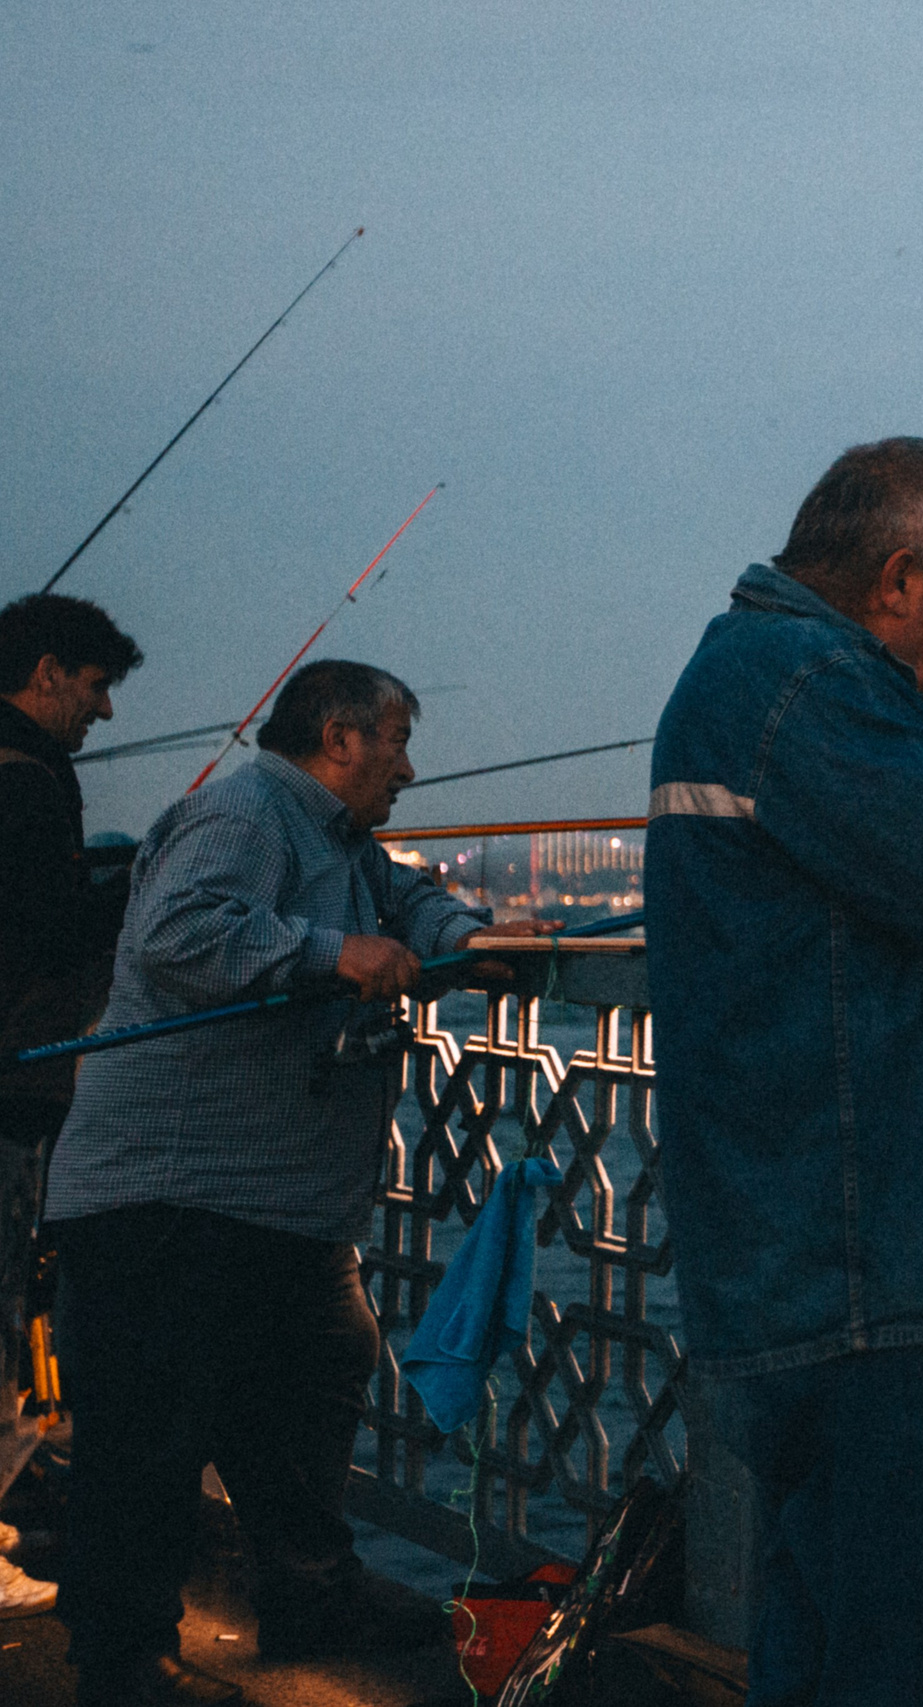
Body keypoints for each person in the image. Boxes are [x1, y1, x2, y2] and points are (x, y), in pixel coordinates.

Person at [650, 437, 923, 1704]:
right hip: (875, 1275)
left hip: (815, 1256)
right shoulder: (808, 682)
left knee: (831, 1634)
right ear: (900, 578)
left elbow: (872, 894)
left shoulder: (761, 673)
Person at [44, 660, 558, 1707]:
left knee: (318, 1374)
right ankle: (122, 1658)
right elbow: (179, 933)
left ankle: (313, 1593)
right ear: (339, 737)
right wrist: (334, 953)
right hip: (173, 1193)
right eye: (397, 742)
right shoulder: (241, 814)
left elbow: (411, 903)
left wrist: (469, 941)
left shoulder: (345, 842)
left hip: (280, 1204)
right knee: (149, 1436)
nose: (407, 769)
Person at [0, 595, 145, 1621]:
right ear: (48, 672)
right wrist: (136, 885)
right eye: (95, 687)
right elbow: (42, 933)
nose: (103, 710)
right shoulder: (24, 780)